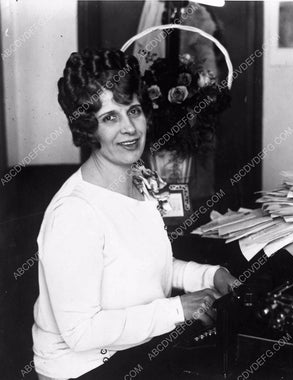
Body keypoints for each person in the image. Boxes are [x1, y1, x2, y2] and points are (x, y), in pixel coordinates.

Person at [32, 49, 236, 380]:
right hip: (84, 369)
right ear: (88, 129)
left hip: (133, 351)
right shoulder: (74, 212)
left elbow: (145, 270)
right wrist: (178, 309)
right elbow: (81, 333)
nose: (130, 128)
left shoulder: (139, 180)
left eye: (134, 110)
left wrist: (209, 276)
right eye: (110, 117)